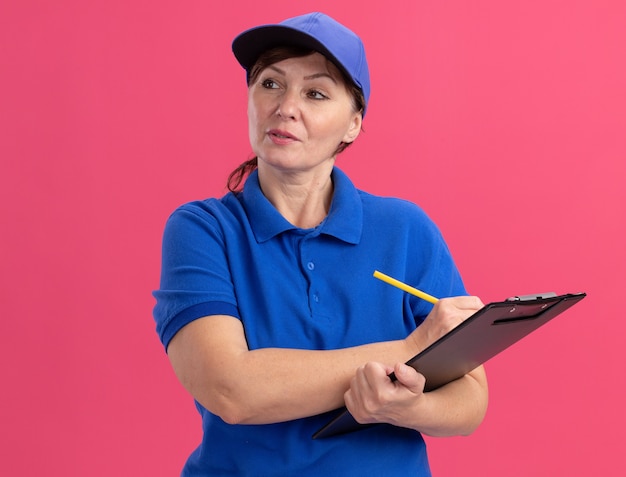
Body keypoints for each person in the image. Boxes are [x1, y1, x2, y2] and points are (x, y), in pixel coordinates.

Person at [153, 12, 488, 476]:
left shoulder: (406, 229)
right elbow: (230, 390)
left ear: (352, 125)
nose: (285, 106)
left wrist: (401, 408)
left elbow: (471, 398)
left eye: (315, 93)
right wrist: (410, 349)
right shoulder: (203, 229)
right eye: (270, 83)